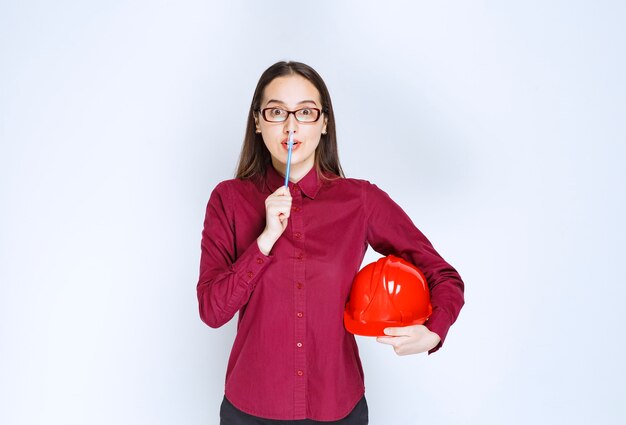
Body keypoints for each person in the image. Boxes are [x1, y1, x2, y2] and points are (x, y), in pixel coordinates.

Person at [196, 61, 465, 425]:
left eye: (305, 112)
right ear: (258, 122)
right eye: (277, 111)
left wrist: (434, 332)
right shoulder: (228, 200)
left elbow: (442, 273)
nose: (291, 125)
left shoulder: (360, 201)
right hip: (252, 408)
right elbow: (213, 311)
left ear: (324, 123)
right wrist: (264, 241)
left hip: (338, 406)